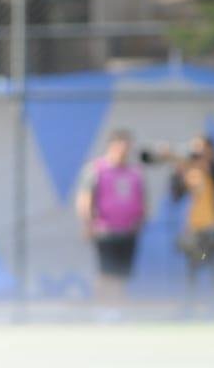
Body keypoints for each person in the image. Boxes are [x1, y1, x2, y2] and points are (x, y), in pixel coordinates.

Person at [75, 129, 147, 301]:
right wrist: (88, 224)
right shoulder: (97, 169)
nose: (123, 151)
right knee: (106, 273)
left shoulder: (135, 172)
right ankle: (103, 308)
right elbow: (85, 198)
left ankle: (118, 308)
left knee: (122, 274)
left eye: (126, 147)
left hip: (128, 231)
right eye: (120, 146)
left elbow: (142, 199)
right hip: (105, 230)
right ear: (111, 146)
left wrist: (140, 221)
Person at [170, 135, 214, 316]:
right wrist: (180, 172)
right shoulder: (190, 172)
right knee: (193, 267)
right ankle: (190, 306)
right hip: (195, 228)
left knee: (213, 266)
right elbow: (176, 195)